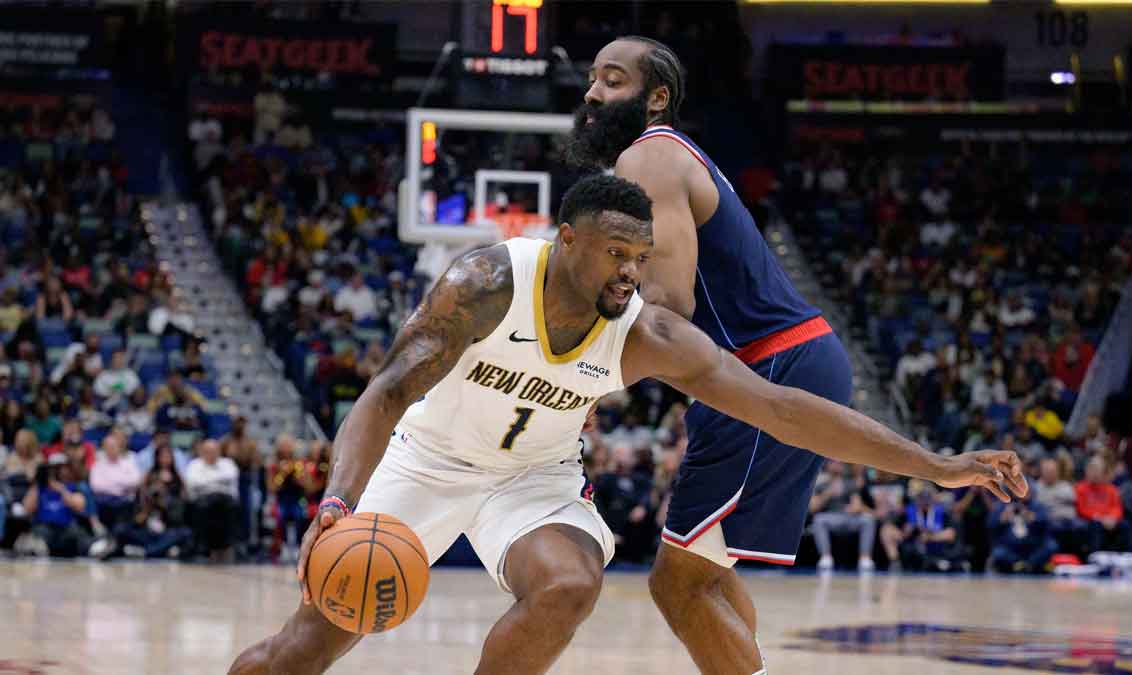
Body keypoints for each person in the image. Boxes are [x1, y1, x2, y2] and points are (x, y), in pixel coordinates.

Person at [228, 176, 1026, 675]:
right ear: (565, 240)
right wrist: (337, 505)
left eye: (639, 257)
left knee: (571, 582)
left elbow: (783, 410)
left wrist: (934, 464)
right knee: (300, 650)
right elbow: (385, 395)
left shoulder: (647, 333)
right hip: (428, 461)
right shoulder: (485, 284)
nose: (630, 273)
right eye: (615, 252)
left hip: (532, 480)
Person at [566, 37, 993, 673]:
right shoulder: (662, 160)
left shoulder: (647, 156)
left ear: (657, 98)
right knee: (706, 575)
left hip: (768, 364)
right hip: (773, 362)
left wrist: (575, 368)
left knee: (676, 583)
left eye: (613, 80)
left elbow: (667, 306)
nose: (593, 94)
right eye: (593, 80)